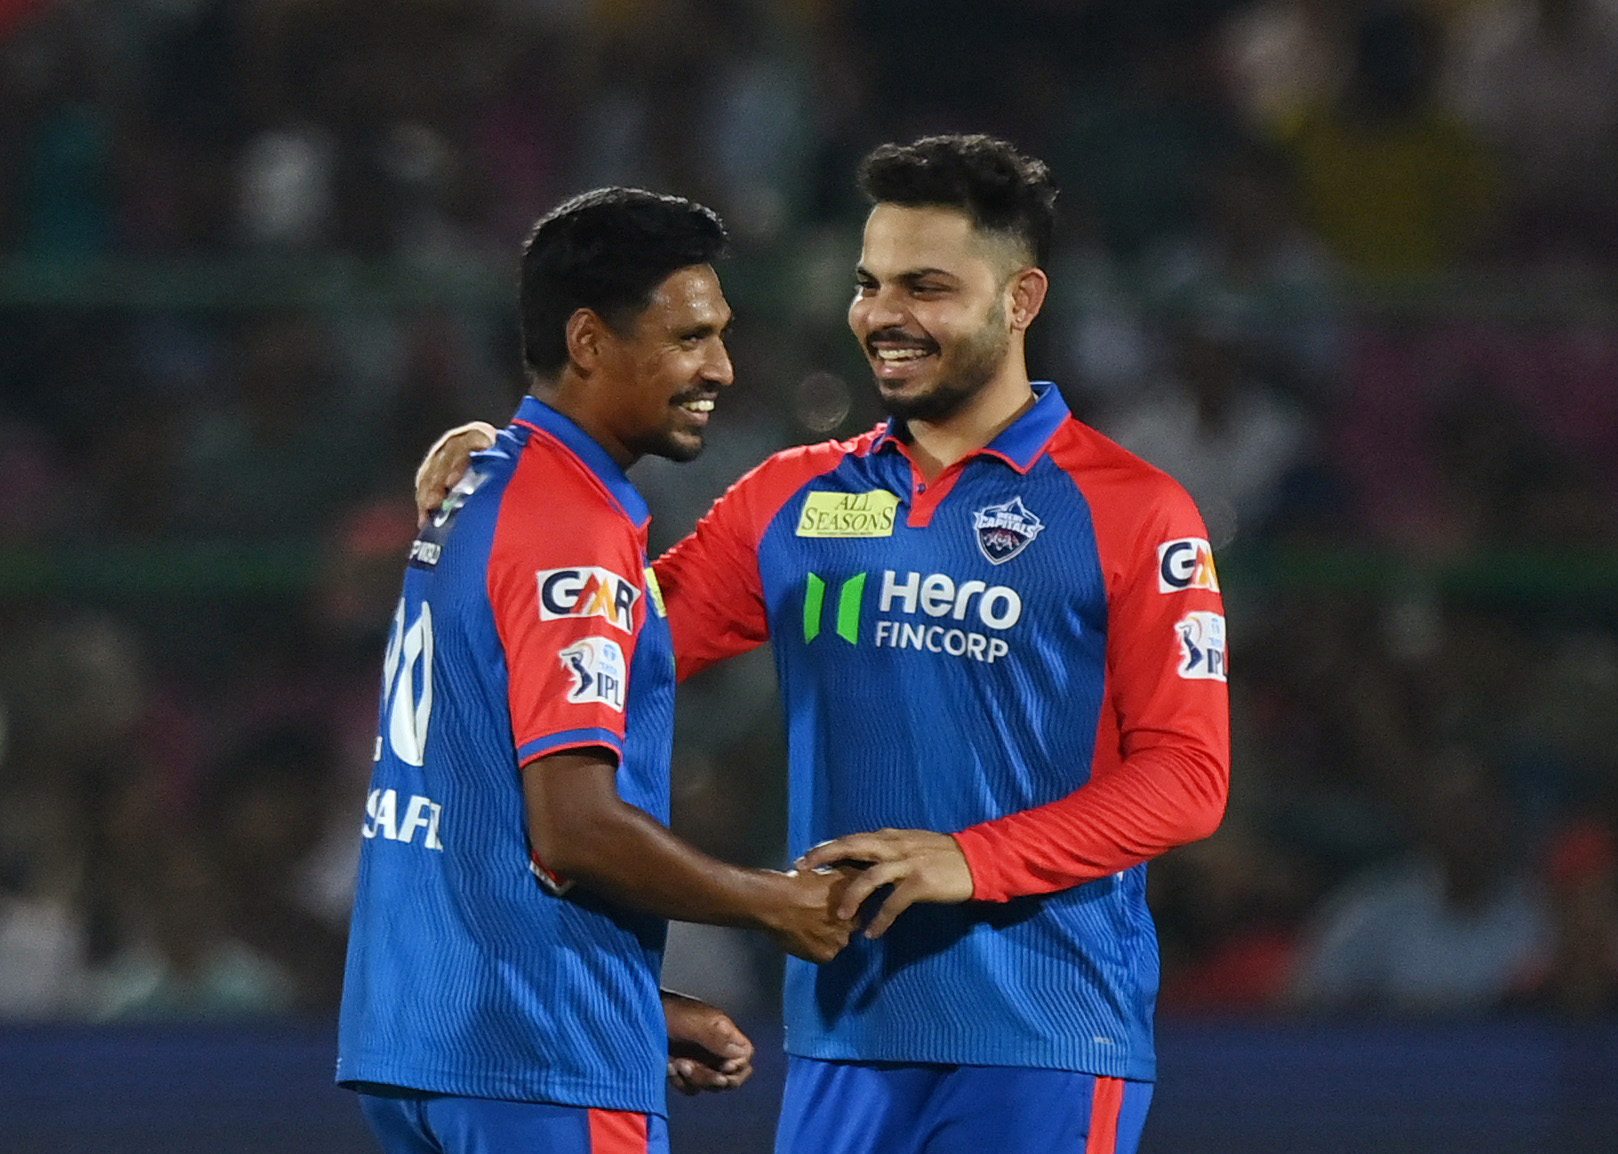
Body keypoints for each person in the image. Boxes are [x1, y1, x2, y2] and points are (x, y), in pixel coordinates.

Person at [419, 137, 1230, 1154]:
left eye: (926, 286)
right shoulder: (794, 497)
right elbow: (599, 637)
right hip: (841, 1038)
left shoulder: (1136, 512)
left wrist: (968, 859)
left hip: (1046, 1036)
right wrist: (510, 475)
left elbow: (1189, 775)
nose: (884, 314)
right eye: (869, 283)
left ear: (1021, 300)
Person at [340, 187, 853, 1154]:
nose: (721, 368)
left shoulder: (480, 490)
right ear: (588, 341)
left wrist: (636, 1003)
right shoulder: (568, 528)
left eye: (722, 336)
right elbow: (571, 825)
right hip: (534, 1059)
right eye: (690, 338)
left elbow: (477, 808)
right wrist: (772, 904)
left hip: (426, 1042)